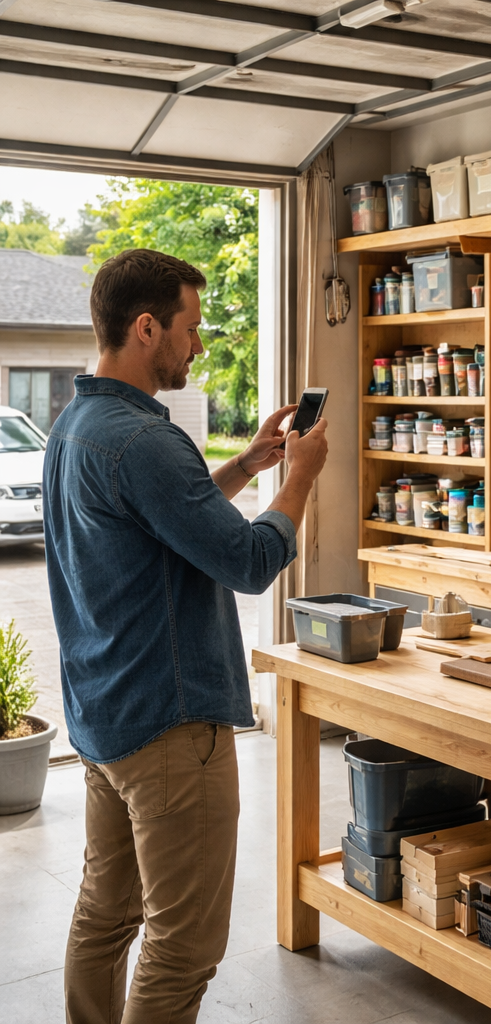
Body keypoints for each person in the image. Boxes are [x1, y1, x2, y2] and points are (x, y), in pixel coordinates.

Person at [43, 248, 328, 1024]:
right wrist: (300, 477)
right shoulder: (143, 440)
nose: (197, 346)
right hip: (170, 729)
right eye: (190, 328)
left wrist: (247, 464)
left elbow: (169, 520)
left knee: (105, 918)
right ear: (146, 327)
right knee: (185, 945)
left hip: (106, 722)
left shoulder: (76, 427)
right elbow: (247, 561)